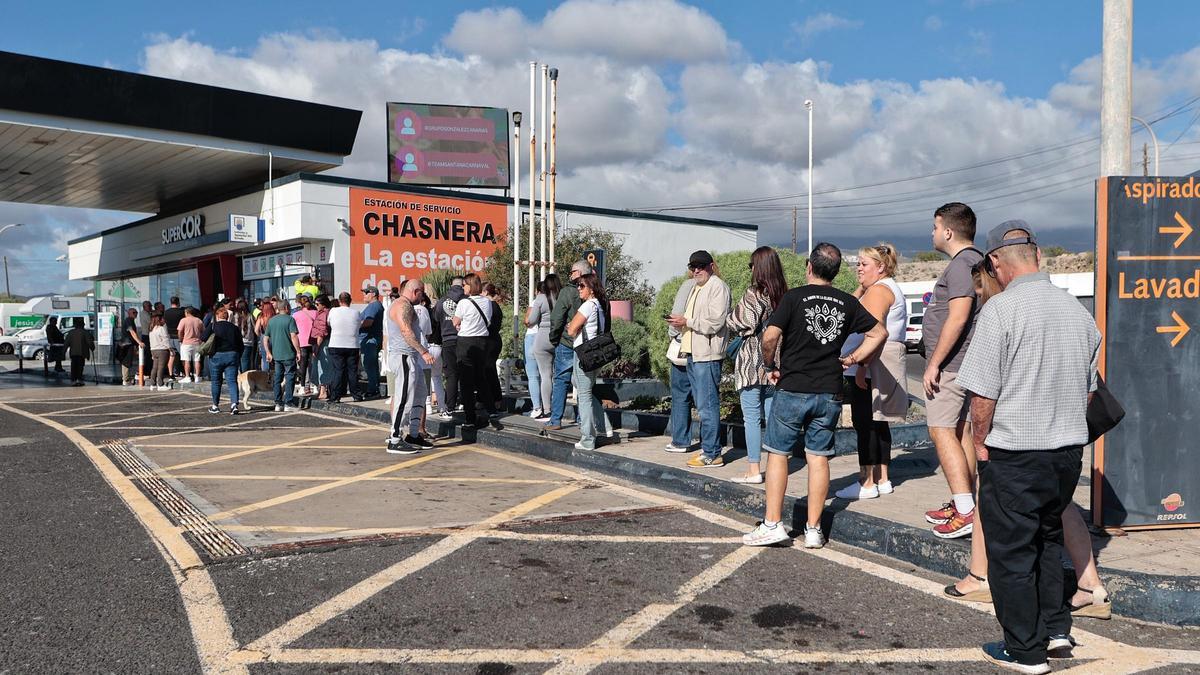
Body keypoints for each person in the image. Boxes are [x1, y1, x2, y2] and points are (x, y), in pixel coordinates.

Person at [956, 222, 1100, 672]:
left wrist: (980, 444)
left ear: (996, 262)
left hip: (1015, 452)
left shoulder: (1001, 311)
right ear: (1037, 257)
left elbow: (982, 396)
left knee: (1012, 552)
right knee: (1047, 539)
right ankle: (1056, 631)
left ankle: (1024, 650)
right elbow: (1089, 392)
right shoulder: (1077, 311)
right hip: (1065, 453)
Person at [742, 243, 887, 549]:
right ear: (835, 272)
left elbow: (770, 336)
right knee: (818, 457)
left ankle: (772, 524)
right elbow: (879, 333)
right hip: (829, 391)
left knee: (778, 453)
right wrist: (853, 358)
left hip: (793, 386)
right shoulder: (848, 301)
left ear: (809, 267)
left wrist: (770, 365)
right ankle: (813, 529)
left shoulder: (794, 297)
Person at [921, 202, 985, 539]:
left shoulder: (962, 264)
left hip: (952, 366)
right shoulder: (977, 261)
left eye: (934, 227)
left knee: (940, 430)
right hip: (965, 364)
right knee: (961, 433)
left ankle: (965, 510)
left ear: (947, 231)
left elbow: (958, 315)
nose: (932, 233)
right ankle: (964, 502)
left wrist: (933, 364)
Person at [835, 244, 908, 500]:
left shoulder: (879, 291)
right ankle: (882, 478)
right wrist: (863, 285)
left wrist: (859, 364)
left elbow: (874, 333)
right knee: (878, 422)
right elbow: (852, 305)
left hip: (869, 367)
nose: (858, 268)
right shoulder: (881, 288)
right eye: (858, 263)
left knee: (865, 423)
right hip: (877, 366)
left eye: (864, 264)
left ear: (881, 267)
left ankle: (866, 482)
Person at [726, 246, 787, 483]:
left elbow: (741, 322)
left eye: (751, 265)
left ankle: (753, 470)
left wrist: (731, 316)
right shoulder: (783, 294)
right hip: (776, 360)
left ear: (758, 267)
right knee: (772, 416)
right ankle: (775, 464)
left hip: (753, 360)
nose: (750, 269)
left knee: (751, 417)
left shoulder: (754, 293)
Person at [667, 250, 731, 468]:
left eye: (701, 266)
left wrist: (687, 320)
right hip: (695, 354)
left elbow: (715, 321)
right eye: (693, 267)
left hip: (708, 356)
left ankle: (712, 453)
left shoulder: (717, 287)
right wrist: (681, 322)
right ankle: (708, 450)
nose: (696, 270)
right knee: (702, 405)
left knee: (707, 406)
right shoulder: (698, 287)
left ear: (711, 266)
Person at [385, 280, 437, 453]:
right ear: (416, 291)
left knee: (420, 395)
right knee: (404, 398)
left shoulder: (405, 305)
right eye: (422, 293)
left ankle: (413, 434)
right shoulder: (402, 306)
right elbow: (406, 331)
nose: (423, 297)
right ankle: (394, 439)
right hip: (403, 356)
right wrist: (424, 352)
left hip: (410, 357)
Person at [565, 273, 611, 451]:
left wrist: (571, 326)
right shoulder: (599, 305)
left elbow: (571, 330)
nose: (579, 289)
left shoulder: (587, 306)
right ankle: (604, 428)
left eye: (582, 286)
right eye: (578, 285)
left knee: (583, 396)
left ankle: (587, 439)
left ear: (591, 289)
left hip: (583, 353)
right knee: (583, 387)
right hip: (595, 355)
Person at [545, 261, 592, 431]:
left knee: (561, 380)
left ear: (579, 273)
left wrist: (554, 338)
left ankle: (556, 420)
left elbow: (557, 318)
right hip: (587, 345)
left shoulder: (567, 292)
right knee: (583, 383)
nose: (570, 274)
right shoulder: (596, 293)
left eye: (572, 271)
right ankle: (582, 420)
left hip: (567, 342)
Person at [452, 274, 496, 427]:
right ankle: (491, 409)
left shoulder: (464, 303)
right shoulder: (487, 302)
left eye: (464, 284)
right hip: (482, 341)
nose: (463, 287)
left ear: (470, 285)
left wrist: (459, 324)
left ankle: (470, 417)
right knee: (481, 377)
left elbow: (455, 321)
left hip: (466, 342)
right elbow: (488, 320)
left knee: (466, 382)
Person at [665, 270, 698, 452]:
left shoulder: (689, 285)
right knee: (706, 399)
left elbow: (675, 316)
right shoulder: (718, 287)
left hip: (684, 347)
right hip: (706, 349)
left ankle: (680, 440)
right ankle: (710, 446)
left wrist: (673, 336)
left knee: (680, 394)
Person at [526, 275, 561, 422]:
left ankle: (547, 409)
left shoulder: (541, 298)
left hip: (542, 339)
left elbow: (531, 321)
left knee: (545, 375)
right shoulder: (562, 297)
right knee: (558, 376)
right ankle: (559, 407)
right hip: (559, 338)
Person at [432, 276, 465, 419]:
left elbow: (436, 319)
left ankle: (450, 407)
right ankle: (465, 402)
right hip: (464, 339)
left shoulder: (442, 301)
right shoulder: (466, 300)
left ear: (451, 285)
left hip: (448, 340)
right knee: (466, 373)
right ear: (463, 285)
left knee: (451, 375)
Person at [204, 305, 244, 414]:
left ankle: (215, 406)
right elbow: (241, 344)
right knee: (232, 381)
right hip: (232, 355)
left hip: (216, 356)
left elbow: (203, 338)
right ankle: (234, 404)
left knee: (216, 382)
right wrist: (238, 355)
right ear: (227, 316)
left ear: (217, 316)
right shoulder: (234, 327)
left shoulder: (213, 326)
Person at [263, 299, 301, 412]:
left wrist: (268, 352)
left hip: (276, 355)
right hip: (288, 353)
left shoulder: (272, 321)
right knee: (290, 377)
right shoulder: (290, 319)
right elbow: (294, 336)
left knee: (277, 378)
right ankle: (288, 403)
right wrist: (298, 351)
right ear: (286, 308)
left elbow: (265, 339)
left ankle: (278, 403)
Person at [327, 292, 363, 403]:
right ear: (350, 301)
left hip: (336, 344)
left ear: (339, 301)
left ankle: (335, 396)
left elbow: (329, 323)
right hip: (352, 345)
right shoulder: (356, 313)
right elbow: (359, 325)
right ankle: (356, 395)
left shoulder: (333, 311)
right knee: (352, 371)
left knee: (338, 371)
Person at [422, 283, 446, 417]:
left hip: (427, 347)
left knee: (425, 379)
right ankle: (442, 406)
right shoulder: (440, 308)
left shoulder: (423, 311)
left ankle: (428, 407)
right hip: (438, 346)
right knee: (437, 378)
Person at [482, 283, 505, 410]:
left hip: (490, 341)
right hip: (494, 340)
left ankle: (496, 398)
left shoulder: (490, 306)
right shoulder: (494, 306)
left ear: (485, 292)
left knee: (489, 370)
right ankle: (491, 398)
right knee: (488, 370)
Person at [359, 286, 384, 399]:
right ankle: (374, 389)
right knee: (371, 365)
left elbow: (368, 322)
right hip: (372, 339)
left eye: (366, 292)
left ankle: (373, 390)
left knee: (369, 365)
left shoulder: (373, 306)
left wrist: (355, 325)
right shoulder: (375, 305)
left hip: (370, 339)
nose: (364, 294)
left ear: (373, 294)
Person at [293, 294, 317, 396]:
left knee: (303, 365)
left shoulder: (295, 315)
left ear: (300, 304)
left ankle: (302, 387)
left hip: (302, 342)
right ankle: (315, 386)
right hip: (313, 341)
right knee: (313, 364)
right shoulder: (315, 313)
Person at [311, 295, 332, 399]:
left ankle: (323, 391)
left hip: (322, 342)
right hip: (323, 342)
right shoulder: (324, 313)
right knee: (322, 366)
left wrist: (317, 347)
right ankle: (322, 390)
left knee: (322, 366)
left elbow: (322, 331)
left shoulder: (324, 314)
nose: (316, 306)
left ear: (323, 305)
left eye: (317, 304)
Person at [64, 316, 94, 386]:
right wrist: (92, 348)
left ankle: (73, 380)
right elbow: (90, 342)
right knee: (80, 366)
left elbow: (66, 343)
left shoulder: (71, 332)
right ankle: (79, 379)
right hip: (81, 353)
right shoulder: (85, 332)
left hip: (73, 353)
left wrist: (63, 352)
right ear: (82, 325)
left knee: (74, 366)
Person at [119, 307, 143, 386]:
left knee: (129, 361)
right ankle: (125, 379)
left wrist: (136, 344)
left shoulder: (131, 321)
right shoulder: (129, 321)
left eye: (136, 312)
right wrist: (139, 342)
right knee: (126, 361)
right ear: (129, 313)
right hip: (127, 344)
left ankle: (128, 378)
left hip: (129, 344)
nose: (136, 314)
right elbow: (132, 332)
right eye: (134, 312)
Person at [163, 296, 185, 379]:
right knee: (183, 356)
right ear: (178, 302)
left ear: (170, 302)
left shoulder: (166, 312)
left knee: (172, 356)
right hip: (179, 337)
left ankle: (171, 374)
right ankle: (186, 373)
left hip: (169, 336)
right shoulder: (181, 312)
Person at [148, 313, 171, 390]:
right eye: (163, 318)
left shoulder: (151, 329)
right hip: (162, 350)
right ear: (160, 319)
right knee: (161, 367)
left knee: (154, 367)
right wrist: (170, 349)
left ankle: (152, 384)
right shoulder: (161, 328)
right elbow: (165, 340)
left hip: (154, 350)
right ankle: (160, 384)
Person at [234, 299, 256, 373]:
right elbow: (255, 328)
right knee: (246, 360)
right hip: (248, 342)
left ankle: (241, 376)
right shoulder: (250, 316)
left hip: (237, 342)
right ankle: (245, 377)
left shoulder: (236, 316)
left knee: (239, 360)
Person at [255, 301, 276, 371]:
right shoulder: (274, 317)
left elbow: (256, 330)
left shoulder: (261, 317)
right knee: (275, 358)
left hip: (264, 337)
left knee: (265, 359)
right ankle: (274, 374)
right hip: (274, 337)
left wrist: (260, 335)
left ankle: (266, 376)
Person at [137, 300, 153, 382]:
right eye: (149, 306)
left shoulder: (147, 313)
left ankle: (147, 371)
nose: (151, 307)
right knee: (147, 355)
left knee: (148, 355)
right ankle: (146, 372)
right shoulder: (145, 314)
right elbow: (151, 323)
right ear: (145, 307)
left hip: (147, 335)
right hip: (146, 336)